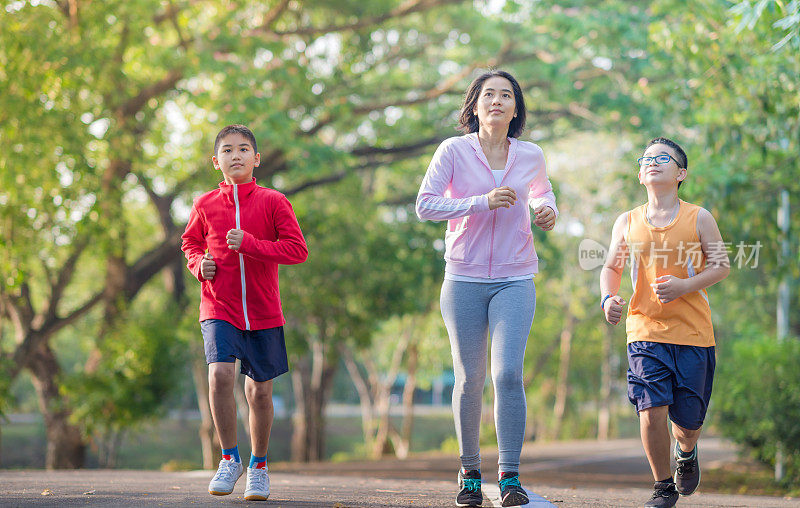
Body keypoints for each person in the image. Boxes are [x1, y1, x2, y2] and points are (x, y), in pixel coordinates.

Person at [416, 70, 558, 507]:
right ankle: (470, 472)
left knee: (508, 375)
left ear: (516, 109)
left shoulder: (531, 154)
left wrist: (546, 209)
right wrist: (480, 201)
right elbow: (426, 205)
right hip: (463, 278)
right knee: (469, 378)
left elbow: (541, 191)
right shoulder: (453, 151)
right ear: (474, 105)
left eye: (506, 95)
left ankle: (510, 477)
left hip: (516, 276)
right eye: (488, 94)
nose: (496, 101)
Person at [600, 137, 730, 507]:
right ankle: (662, 486)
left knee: (686, 426)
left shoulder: (699, 217)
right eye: (646, 158)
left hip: (693, 335)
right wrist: (608, 298)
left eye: (663, 158)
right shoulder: (626, 221)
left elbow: (722, 265)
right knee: (650, 408)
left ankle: (685, 453)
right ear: (641, 174)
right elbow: (611, 267)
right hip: (644, 331)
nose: (652, 162)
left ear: (681, 173)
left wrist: (685, 286)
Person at [181, 124, 308, 501]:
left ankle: (259, 465)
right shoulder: (203, 205)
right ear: (215, 161)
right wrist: (197, 263)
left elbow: (297, 250)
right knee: (220, 376)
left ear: (256, 158)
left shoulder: (273, 201)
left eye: (243, 149)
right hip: (219, 306)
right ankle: (229, 458)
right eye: (227, 150)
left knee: (260, 393)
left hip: (264, 311)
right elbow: (189, 242)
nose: (235, 155)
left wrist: (251, 244)